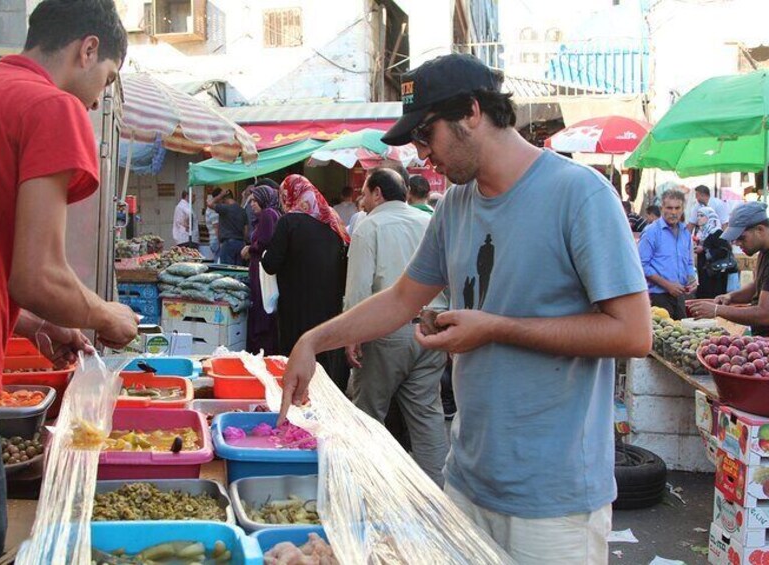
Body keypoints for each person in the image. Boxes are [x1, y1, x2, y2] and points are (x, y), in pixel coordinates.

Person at [276, 53, 651, 564]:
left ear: (472, 112)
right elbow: (403, 298)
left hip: (552, 501)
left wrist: (494, 328)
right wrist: (312, 341)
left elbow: (633, 334)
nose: (422, 154)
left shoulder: (580, 195)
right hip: (469, 480)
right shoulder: (455, 205)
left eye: (426, 136)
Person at [0, 1, 140, 563]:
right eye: (107, 80)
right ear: (87, 49)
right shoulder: (50, 107)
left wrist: (35, 321)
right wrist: (105, 314)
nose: (97, 99)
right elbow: (37, 274)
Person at [345, 167, 449, 485]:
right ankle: (439, 494)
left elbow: (359, 289)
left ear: (378, 192)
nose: (360, 201)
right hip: (433, 329)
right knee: (427, 415)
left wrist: (352, 334)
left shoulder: (370, 226)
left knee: (367, 414)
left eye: (363, 193)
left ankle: (366, 488)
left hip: (387, 331)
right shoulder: (429, 220)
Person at [261, 175, 349, 388]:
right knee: (324, 365)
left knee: (296, 361)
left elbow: (271, 264)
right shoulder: (332, 221)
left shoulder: (289, 222)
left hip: (296, 308)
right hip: (330, 308)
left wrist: (263, 255)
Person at [690, 202, 769, 335]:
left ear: (760, 230)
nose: (737, 243)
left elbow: (765, 314)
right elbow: (758, 286)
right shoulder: (763, 251)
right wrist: (730, 297)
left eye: (741, 238)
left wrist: (717, 310)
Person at [639, 189, 697, 320]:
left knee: (682, 335)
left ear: (682, 209)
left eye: (677, 208)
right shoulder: (651, 232)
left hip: (680, 296)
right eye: (669, 208)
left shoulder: (685, 233)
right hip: (658, 297)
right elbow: (642, 266)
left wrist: (692, 278)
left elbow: (688, 262)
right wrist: (667, 285)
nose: (674, 212)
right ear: (661, 208)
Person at [241, 185, 282, 355]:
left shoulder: (268, 214)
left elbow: (264, 241)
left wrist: (249, 249)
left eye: (255, 201)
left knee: (261, 307)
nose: (252, 204)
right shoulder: (274, 214)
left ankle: (261, 348)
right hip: (262, 269)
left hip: (261, 271)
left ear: (264, 199)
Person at [694, 206, 734, 299]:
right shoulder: (703, 233)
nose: (699, 218)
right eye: (698, 216)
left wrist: (704, 249)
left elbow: (724, 250)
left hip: (716, 276)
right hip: (705, 273)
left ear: (710, 217)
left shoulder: (717, 232)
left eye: (702, 216)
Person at [208, 187, 248, 265]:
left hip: (228, 243)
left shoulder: (225, 208)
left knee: (227, 271)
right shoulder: (242, 210)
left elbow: (210, 203)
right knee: (238, 271)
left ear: (223, 199)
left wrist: (220, 195)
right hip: (241, 243)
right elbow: (246, 230)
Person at [204, 189, 221, 260]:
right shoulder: (212, 211)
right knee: (219, 261)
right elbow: (216, 227)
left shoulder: (210, 210)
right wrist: (221, 241)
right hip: (216, 239)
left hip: (213, 239)